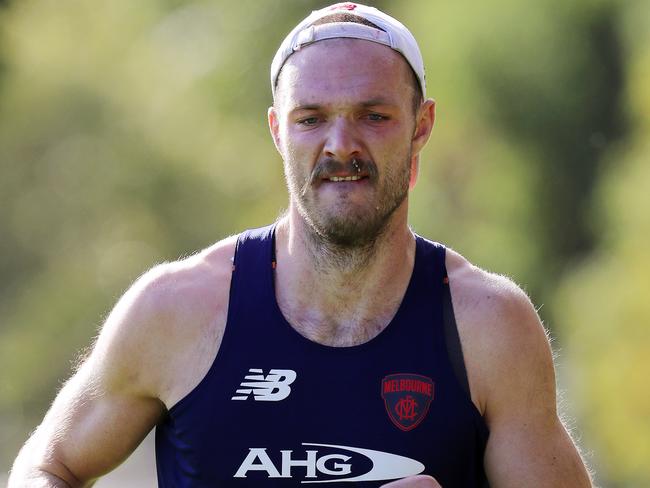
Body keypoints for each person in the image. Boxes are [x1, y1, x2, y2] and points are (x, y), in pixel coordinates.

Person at [9, 3, 593, 487]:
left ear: (422, 126)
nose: (341, 144)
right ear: (276, 130)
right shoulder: (177, 309)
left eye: (374, 115)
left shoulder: (488, 326)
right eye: (311, 118)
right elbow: (45, 468)